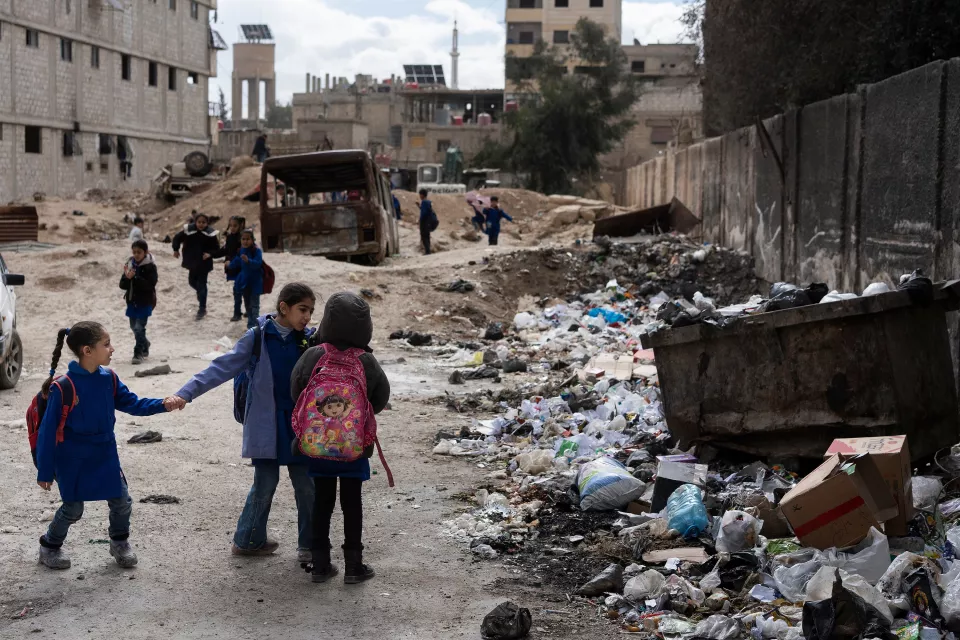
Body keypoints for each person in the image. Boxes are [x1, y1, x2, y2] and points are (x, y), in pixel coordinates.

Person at [173, 283, 318, 562]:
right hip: (267, 425)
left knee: (306, 484)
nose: (307, 317)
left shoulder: (310, 340)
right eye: (302, 309)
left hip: (301, 426)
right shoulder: (257, 338)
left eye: (311, 311)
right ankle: (248, 540)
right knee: (265, 482)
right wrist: (185, 393)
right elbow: (220, 368)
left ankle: (309, 546)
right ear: (284, 308)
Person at [35, 322, 182, 570]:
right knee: (73, 509)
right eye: (106, 344)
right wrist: (45, 471)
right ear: (87, 351)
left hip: (104, 453)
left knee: (122, 501)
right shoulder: (64, 387)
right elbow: (48, 432)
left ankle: (119, 542)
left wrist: (163, 404)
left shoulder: (109, 378)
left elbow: (133, 403)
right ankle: (50, 546)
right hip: (72, 457)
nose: (112, 349)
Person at [290, 292, 390, 584]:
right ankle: (354, 566)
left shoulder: (315, 354)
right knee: (352, 504)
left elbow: (296, 391)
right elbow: (381, 398)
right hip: (354, 446)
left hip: (318, 445)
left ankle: (321, 565)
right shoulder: (366, 360)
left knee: (321, 503)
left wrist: (318, 420)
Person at [172, 212, 220, 320]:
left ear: (207, 223)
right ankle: (200, 293)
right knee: (191, 282)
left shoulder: (210, 234)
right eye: (199, 222)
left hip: (204, 263)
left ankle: (202, 308)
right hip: (192, 262)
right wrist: (176, 249)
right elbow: (177, 238)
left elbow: (216, 248)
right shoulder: (189, 230)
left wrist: (210, 254)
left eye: (204, 222)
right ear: (195, 222)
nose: (201, 224)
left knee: (202, 284)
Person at [119, 239, 158, 365]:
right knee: (134, 328)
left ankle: (138, 353)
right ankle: (145, 343)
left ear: (145, 252)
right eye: (134, 252)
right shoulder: (129, 265)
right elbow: (122, 285)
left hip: (145, 302)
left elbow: (150, 284)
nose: (136, 255)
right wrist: (127, 278)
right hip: (132, 302)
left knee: (139, 327)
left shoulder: (150, 266)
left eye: (139, 252)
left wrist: (135, 278)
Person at [229, 229, 264, 330]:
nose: (245, 241)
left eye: (248, 239)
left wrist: (249, 261)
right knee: (248, 305)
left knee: (255, 305)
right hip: (244, 283)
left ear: (252, 240)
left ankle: (255, 326)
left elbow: (258, 264)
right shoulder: (241, 250)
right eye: (243, 239)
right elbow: (236, 261)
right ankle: (250, 325)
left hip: (255, 282)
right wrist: (230, 265)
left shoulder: (256, 251)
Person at [218, 216, 246, 322]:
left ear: (240, 226)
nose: (233, 228)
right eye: (231, 226)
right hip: (234, 268)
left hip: (242, 268)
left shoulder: (243, 238)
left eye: (235, 226)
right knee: (238, 291)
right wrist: (211, 254)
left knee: (242, 291)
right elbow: (226, 250)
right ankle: (238, 312)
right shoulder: (230, 237)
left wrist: (231, 261)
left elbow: (241, 254)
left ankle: (240, 313)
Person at [418, 188, 436, 255]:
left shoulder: (424, 202)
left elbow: (424, 213)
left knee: (424, 236)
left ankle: (427, 251)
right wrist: (420, 207)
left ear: (422, 195)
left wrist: (420, 220)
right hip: (428, 222)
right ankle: (428, 250)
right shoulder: (428, 202)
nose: (419, 196)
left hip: (424, 222)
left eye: (420, 194)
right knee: (427, 236)